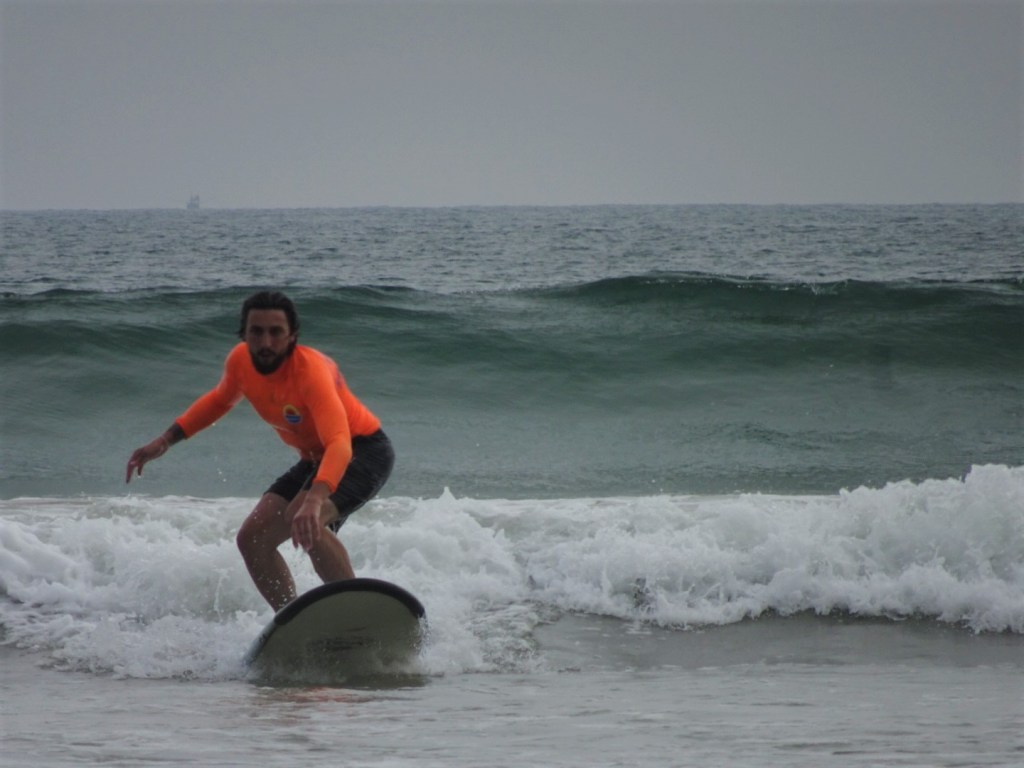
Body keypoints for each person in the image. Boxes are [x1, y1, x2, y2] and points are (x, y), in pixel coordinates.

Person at [125, 291, 394, 611]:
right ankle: (291, 620)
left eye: (276, 332)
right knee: (252, 540)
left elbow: (339, 441)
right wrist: (166, 439)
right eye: (256, 331)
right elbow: (219, 401)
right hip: (314, 459)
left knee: (306, 517)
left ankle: (358, 613)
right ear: (244, 333)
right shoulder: (241, 362)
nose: (266, 342)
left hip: (362, 450)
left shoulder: (311, 371)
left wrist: (314, 499)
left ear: (292, 336)